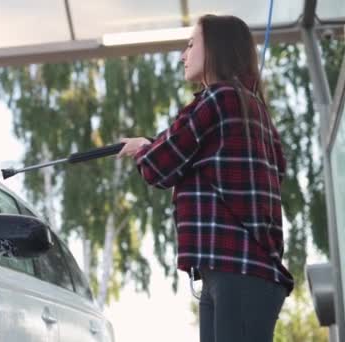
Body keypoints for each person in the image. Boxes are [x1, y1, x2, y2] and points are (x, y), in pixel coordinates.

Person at [118, 15, 294, 342]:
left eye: (190, 45)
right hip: (233, 272)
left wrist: (143, 148)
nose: (182, 56)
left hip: (238, 271)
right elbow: (277, 168)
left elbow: (160, 165)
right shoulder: (249, 105)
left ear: (215, 47)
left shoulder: (219, 98)